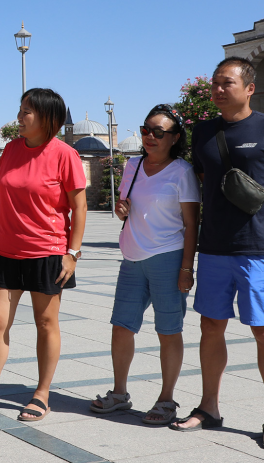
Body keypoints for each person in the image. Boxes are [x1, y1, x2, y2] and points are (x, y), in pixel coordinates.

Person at [171, 57, 264, 452]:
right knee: (210, 326)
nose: (217, 89)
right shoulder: (204, 132)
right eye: (214, 83)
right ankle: (209, 407)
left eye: (226, 83)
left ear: (249, 89)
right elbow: (199, 182)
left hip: (256, 248)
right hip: (213, 247)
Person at [0, 88, 83, 425]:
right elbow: (2, 198)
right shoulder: (11, 149)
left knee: (46, 323)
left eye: (27, 111)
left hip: (48, 251)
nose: (19, 116)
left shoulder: (64, 154)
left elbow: (79, 206)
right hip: (6, 251)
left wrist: (72, 253)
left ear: (47, 118)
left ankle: (42, 394)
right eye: (21, 109)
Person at [88, 104, 196, 424]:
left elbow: (192, 224)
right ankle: (119, 393)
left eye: (159, 132)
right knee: (122, 327)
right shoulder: (132, 166)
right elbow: (128, 207)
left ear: (174, 138)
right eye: (147, 129)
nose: (150, 136)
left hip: (168, 256)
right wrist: (122, 210)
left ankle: (166, 400)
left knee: (168, 331)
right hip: (132, 257)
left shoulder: (182, 171)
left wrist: (186, 269)